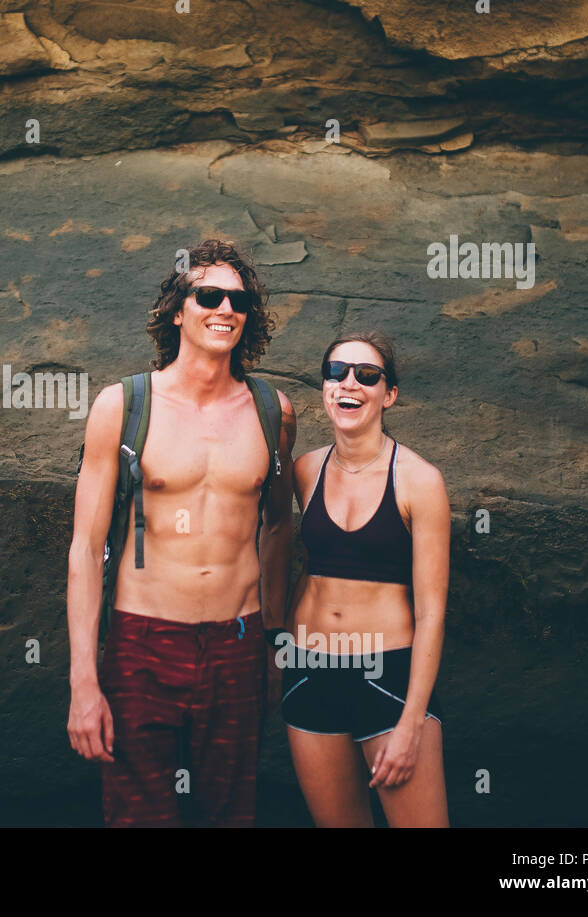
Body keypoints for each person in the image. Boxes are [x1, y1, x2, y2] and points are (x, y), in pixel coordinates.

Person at [66, 238, 296, 826]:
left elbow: (276, 528)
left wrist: (275, 641)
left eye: (239, 301)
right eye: (209, 296)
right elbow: (87, 550)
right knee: (140, 815)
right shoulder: (123, 405)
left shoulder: (273, 411)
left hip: (237, 642)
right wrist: (84, 683)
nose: (225, 309)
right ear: (178, 310)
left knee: (230, 813)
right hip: (144, 642)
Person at [277, 330, 449, 826]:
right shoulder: (305, 470)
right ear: (325, 386)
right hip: (308, 672)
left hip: (387, 680)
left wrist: (412, 721)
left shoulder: (420, 480)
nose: (349, 383)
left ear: (388, 394)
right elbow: (277, 549)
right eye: (337, 372)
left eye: (367, 375)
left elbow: (433, 610)